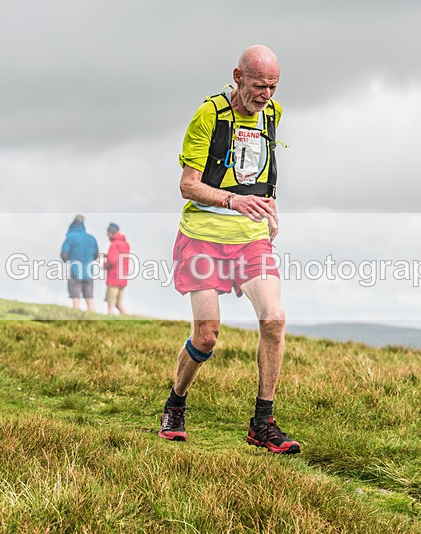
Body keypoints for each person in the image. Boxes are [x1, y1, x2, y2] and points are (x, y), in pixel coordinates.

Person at [158, 45, 300, 454]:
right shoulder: (210, 115)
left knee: (274, 319)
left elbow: (256, 173)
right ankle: (176, 402)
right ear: (238, 77)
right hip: (203, 235)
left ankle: (263, 422)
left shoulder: (272, 114)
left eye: (273, 86)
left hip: (250, 237)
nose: (266, 95)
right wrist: (232, 201)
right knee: (206, 336)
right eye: (259, 86)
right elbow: (188, 184)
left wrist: (269, 208)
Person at [60, 214, 99, 312]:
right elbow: (96, 255)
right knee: (89, 297)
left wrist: (69, 260)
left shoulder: (70, 237)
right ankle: (92, 315)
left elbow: (64, 254)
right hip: (89, 271)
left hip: (75, 270)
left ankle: (76, 315)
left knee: (75, 297)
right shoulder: (91, 238)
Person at [103, 222, 130, 315]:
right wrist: (107, 255)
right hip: (123, 277)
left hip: (114, 277)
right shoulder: (125, 244)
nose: (106, 235)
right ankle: (127, 318)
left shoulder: (114, 244)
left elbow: (112, 260)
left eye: (108, 232)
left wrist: (104, 265)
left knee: (111, 303)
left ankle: (109, 319)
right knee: (119, 303)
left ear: (111, 232)